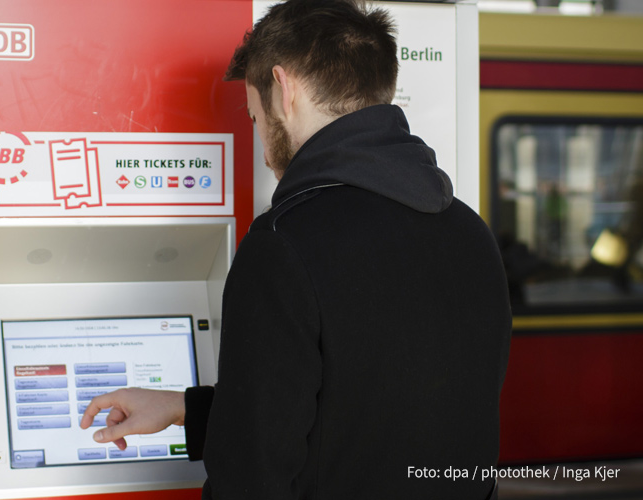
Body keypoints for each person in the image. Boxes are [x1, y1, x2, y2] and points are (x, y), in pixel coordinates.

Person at [79, 1, 512, 498]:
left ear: (284, 90)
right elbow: (379, 408)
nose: (263, 146)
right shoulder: (467, 231)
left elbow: (252, 474)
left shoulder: (285, 246)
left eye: (254, 116)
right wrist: (187, 408)